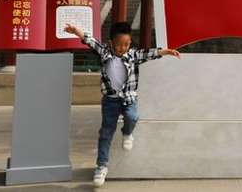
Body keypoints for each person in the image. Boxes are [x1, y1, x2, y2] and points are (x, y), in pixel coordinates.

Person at [63, 22, 180, 187]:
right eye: (119, 44)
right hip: (110, 100)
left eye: (126, 44)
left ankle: (127, 132)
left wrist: (166, 52)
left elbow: (148, 53)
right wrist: (76, 31)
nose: (122, 48)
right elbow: (90, 40)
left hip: (129, 98)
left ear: (130, 43)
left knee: (132, 117)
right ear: (111, 42)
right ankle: (101, 167)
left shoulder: (132, 55)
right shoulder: (105, 52)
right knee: (106, 133)